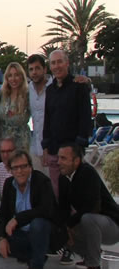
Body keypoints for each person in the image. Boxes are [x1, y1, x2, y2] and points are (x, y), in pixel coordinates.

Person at [0, 150, 57, 269]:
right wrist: (2, 238)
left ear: (30, 167)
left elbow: (46, 210)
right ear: (10, 170)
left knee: (38, 223)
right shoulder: (9, 184)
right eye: (16, 168)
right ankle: (37, 257)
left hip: (45, 234)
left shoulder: (41, 181)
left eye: (24, 166)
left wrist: (18, 219)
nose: (20, 171)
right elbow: (2, 214)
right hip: (24, 234)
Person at [58, 142, 119, 269]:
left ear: (76, 160)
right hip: (94, 223)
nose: (59, 162)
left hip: (112, 225)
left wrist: (69, 224)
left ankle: (95, 266)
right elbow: (63, 208)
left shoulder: (88, 173)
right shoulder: (63, 178)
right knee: (58, 227)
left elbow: (93, 207)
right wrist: (63, 227)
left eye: (63, 158)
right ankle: (90, 256)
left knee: (87, 219)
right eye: (59, 158)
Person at [42, 50, 92, 197]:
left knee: (76, 192)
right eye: (53, 63)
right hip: (54, 150)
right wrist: (45, 146)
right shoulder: (50, 90)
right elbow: (48, 118)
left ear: (67, 63)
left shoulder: (79, 87)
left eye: (59, 62)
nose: (57, 66)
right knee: (57, 192)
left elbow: (85, 118)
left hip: (72, 152)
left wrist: (78, 147)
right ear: (50, 66)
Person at [26, 54, 52, 173]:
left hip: (52, 149)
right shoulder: (28, 89)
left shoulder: (54, 87)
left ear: (45, 69)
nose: (34, 72)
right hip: (34, 148)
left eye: (37, 68)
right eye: (31, 69)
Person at [0, 63, 32, 153]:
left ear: (22, 77)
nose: (13, 79)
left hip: (21, 144)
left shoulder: (27, 95)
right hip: (4, 142)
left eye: (16, 75)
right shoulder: (2, 95)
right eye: (10, 75)